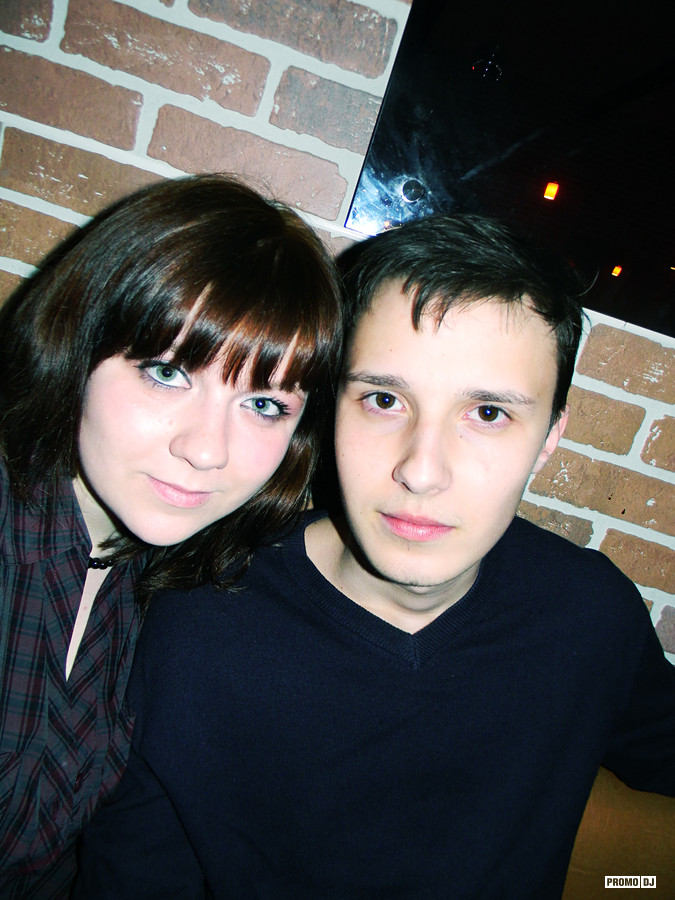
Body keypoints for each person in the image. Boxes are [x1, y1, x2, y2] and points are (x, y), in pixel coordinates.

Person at [76, 214, 675, 899]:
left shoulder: (587, 616)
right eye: (384, 400)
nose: (421, 471)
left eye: (487, 414)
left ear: (548, 439)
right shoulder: (196, 621)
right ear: (331, 409)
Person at [0, 173, 342, 898]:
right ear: (77, 344)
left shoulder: (164, 585)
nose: (207, 449)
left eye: (263, 404)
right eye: (167, 372)